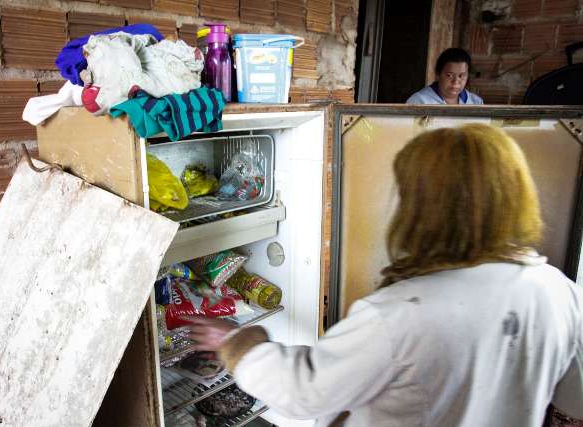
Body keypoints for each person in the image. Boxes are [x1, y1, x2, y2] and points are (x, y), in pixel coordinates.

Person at [187, 124, 583, 426]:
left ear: (422, 209)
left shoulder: (399, 315)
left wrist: (238, 340)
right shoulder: (558, 290)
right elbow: (574, 399)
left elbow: (303, 391)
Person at [407, 48, 483, 105]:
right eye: (449, 75)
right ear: (438, 73)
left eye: (461, 76)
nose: (455, 82)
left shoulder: (476, 102)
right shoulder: (419, 101)